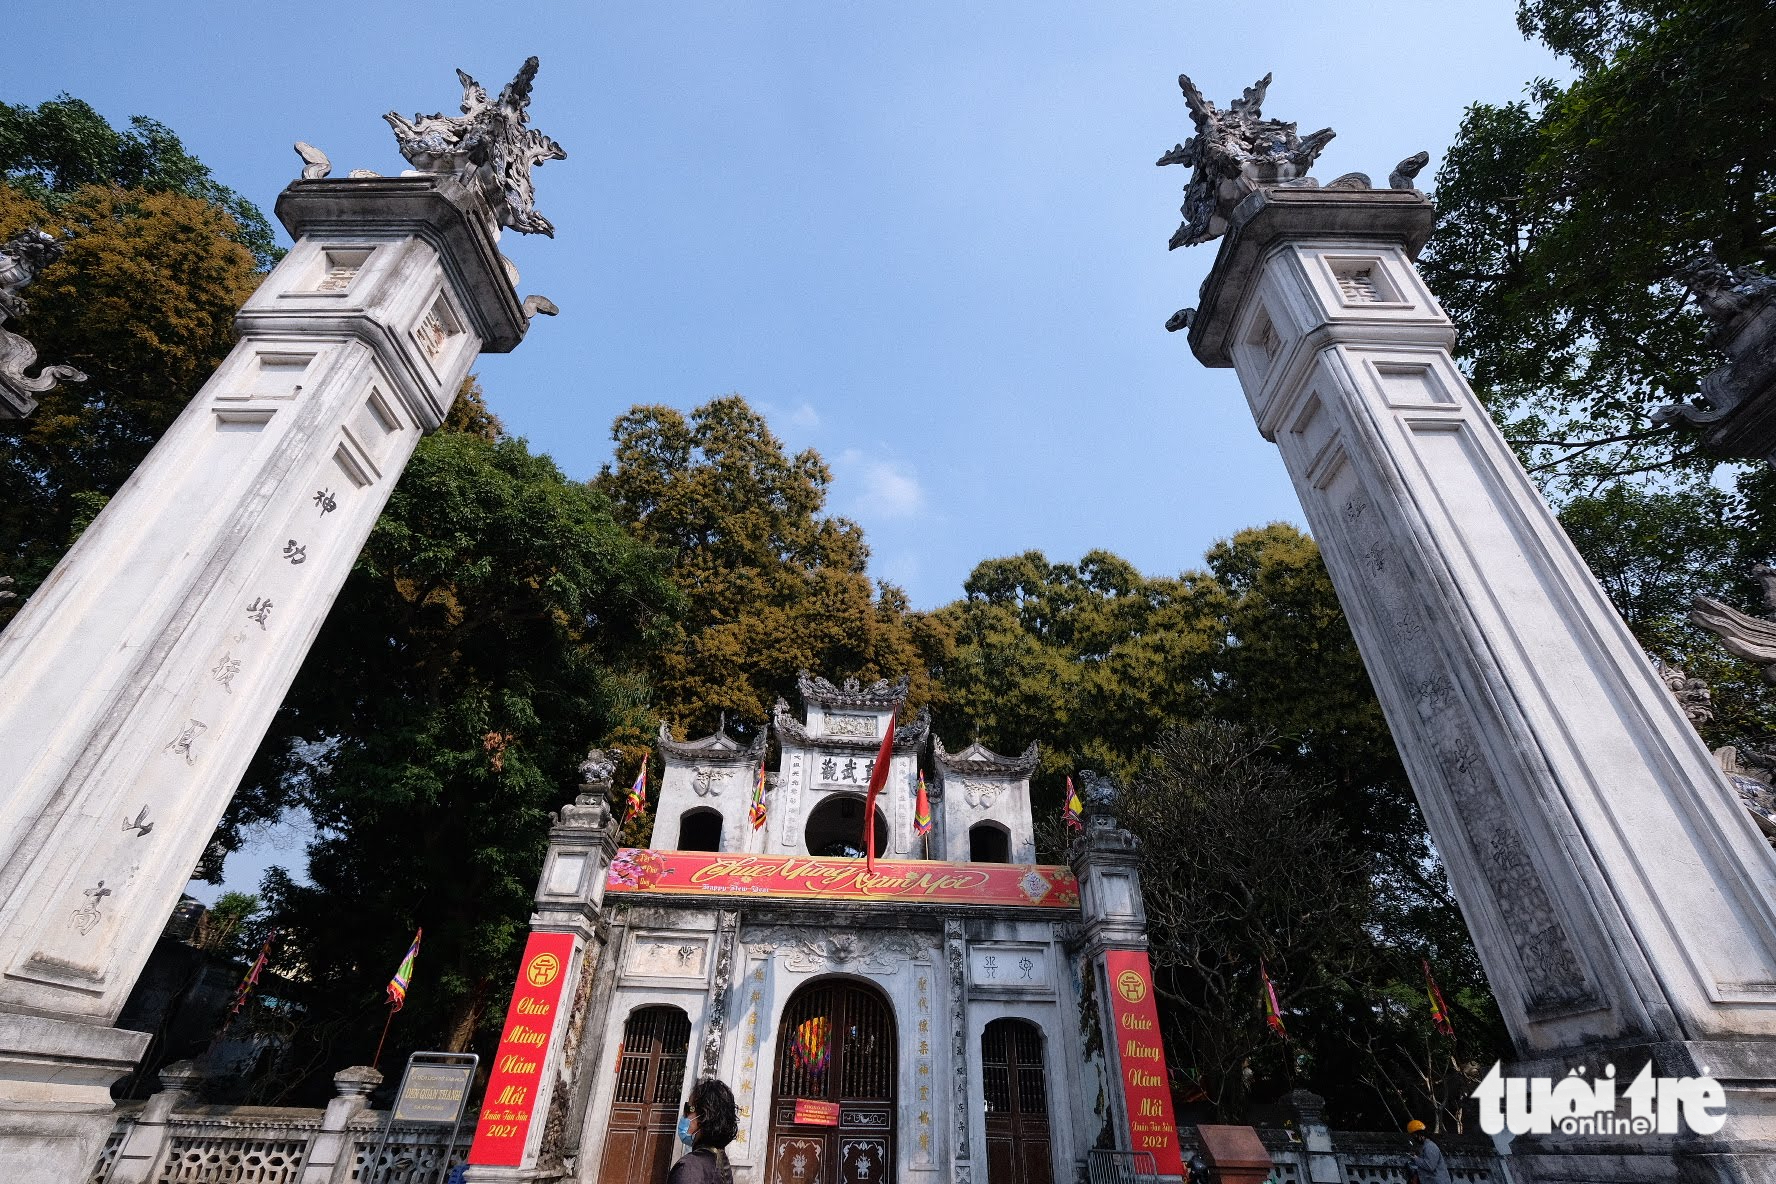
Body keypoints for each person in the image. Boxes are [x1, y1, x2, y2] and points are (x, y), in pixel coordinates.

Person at [668, 1077, 738, 1184]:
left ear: (705, 1116)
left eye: (689, 1109)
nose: (684, 1116)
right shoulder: (722, 1163)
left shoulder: (688, 1168)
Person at [1406, 1119, 1453, 1184]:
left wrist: (1416, 1159)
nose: (1414, 1138)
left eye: (1414, 1136)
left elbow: (1429, 1166)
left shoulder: (1430, 1147)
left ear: (1420, 1134)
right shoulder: (1425, 1146)